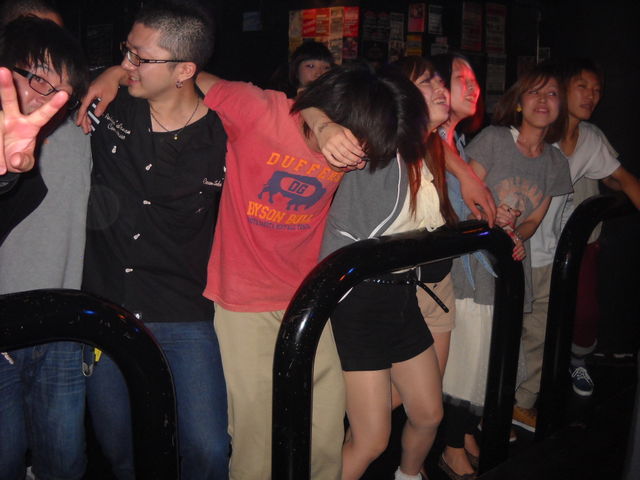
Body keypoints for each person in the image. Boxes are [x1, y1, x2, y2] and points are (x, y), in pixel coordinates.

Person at [81, 3, 229, 479]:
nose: (127, 63)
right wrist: (112, 73)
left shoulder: (225, 135)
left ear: (185, 70)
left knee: (207, 450)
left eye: (140, 57)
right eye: (126, 51)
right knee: (121, 452)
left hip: (182, 309)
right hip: (107, 307)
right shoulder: (110, 107)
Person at [311, 60, 451, 480]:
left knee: (429, 413)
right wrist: (320, 122)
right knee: (371, 440)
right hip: (359, 304)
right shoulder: (376, 154)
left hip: (401, 296)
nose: (440, 88)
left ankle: (408, 476)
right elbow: (307, 102)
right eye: (426, 83)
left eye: (440, 81)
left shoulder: (425, 154)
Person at [439, 64, 573, 479]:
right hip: (475, 266)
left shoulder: (555, 161)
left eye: (552, 94)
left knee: (491, 360)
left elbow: (534, 221)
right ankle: (451, 446)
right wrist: (493, 220)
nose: (543, 101)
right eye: (534, 92)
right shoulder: (495, 140)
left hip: (512, 265)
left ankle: (465, 432)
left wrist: (516, 230)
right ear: (518, 101)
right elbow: (464, 197)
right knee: (469, 361)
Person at [512, 58, 640, 430]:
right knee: (514, 328)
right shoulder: (533, 132)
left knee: (549, 327)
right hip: (516, 245)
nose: (591, 96)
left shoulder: (590, 138)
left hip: (553, 249)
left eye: (597, 89)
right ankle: (489, 407)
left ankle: (520, 403)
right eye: (582, 86)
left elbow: (623, 178)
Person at [0, 15, 90, 480]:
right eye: (36, 76)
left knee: (65, 462)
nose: (46, 97)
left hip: (62, 330)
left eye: (61, 89)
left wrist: (116, 74)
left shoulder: (80, 134)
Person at [270, 40, 335, 98]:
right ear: (296, 70)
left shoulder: (335, 102)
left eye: (326, 68)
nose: (319, 74)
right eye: (311, 66)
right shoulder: (278, 100)